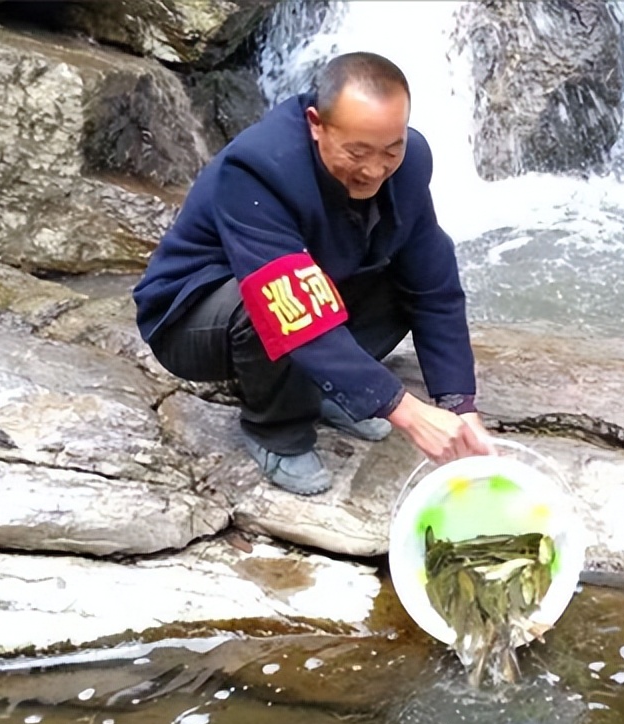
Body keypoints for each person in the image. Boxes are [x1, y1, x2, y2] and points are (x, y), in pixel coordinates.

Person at [133, 52, 492, 495]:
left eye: (391, 149)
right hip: (193, 315)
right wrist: (405, 409)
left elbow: (434, 286)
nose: (375, 169)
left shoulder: (413, 161)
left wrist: (459, 404)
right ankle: (275, 431)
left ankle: (325, 386)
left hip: (308, 288)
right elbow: (290, 302)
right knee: (269, 302)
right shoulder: (258, 168)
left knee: (407, 273)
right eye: (357, 152)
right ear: (316, 124)